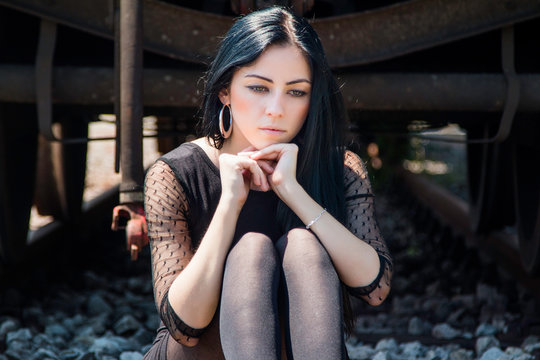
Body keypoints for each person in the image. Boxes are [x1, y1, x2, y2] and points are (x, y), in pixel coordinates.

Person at [143, 6, 392, 360]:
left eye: (295, 92)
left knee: (304, 246)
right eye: (259, 87)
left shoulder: (340, 167)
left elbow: (375, 288)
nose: (276, 108)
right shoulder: (175, 174)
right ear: (225, 90)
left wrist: (293, 192)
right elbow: (185, 327)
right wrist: (230, 204)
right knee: (251, 252)